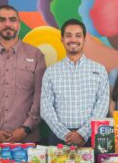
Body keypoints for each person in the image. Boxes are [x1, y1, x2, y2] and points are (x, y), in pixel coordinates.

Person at [0, 5, 46, 143]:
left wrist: (26, 129)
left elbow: (41, 97)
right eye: (2, 20)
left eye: (12, 19)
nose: (7, 24)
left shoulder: (36, 55)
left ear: (18, 24)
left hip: (28, 141)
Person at [41, 18, 110, 146]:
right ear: (62, 39)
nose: (73, 39)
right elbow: (46, 108)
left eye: (78, 35)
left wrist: (83, 133)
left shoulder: (99, 70)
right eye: (68, 35)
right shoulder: (51, 72)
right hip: (58, 138)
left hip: (90, 137)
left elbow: (102, 106)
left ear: (84, 39)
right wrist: (65, 134)